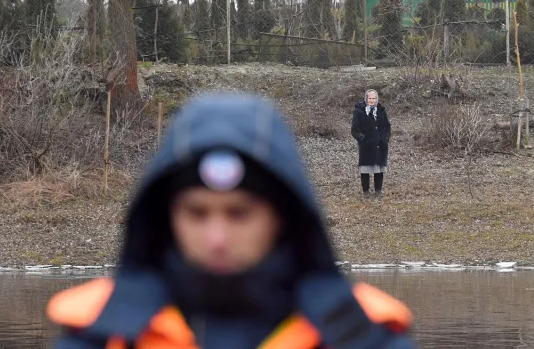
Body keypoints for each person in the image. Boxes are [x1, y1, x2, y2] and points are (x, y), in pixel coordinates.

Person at [46, 93, 415, 349]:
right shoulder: (98, 337)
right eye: (196, 212)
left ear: (283, 217)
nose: (217, 238)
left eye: (240, 213)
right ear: (164, 217)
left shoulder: (365, 337)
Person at [350, 89, 391, 197]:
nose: (372, 100)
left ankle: (378, 190)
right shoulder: (359, 111)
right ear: (366, 99)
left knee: (379, 168)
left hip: (380, 144)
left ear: (376, 99)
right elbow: (354, 129)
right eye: (370, 98)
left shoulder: (381, 110)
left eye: (373, 98)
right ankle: (366, 191)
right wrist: (362, 138)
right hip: (366, 145)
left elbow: (387, 126)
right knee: (365, 169)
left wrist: (385, 137)